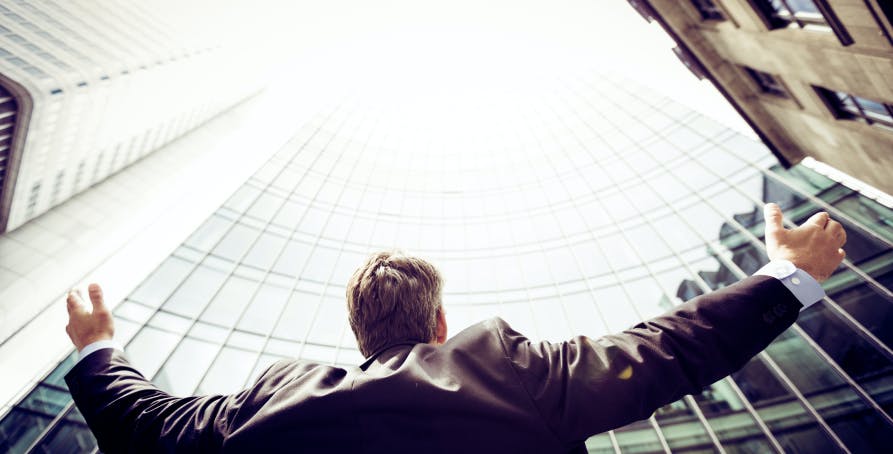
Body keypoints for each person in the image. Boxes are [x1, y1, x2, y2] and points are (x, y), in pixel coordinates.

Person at [64, 203, 846, 453]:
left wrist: (99, 345)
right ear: (439, 322)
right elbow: (663, 350)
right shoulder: (503, 368)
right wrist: (786, 275)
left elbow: (146, 428)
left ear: (359, 334)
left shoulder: (269, 404)